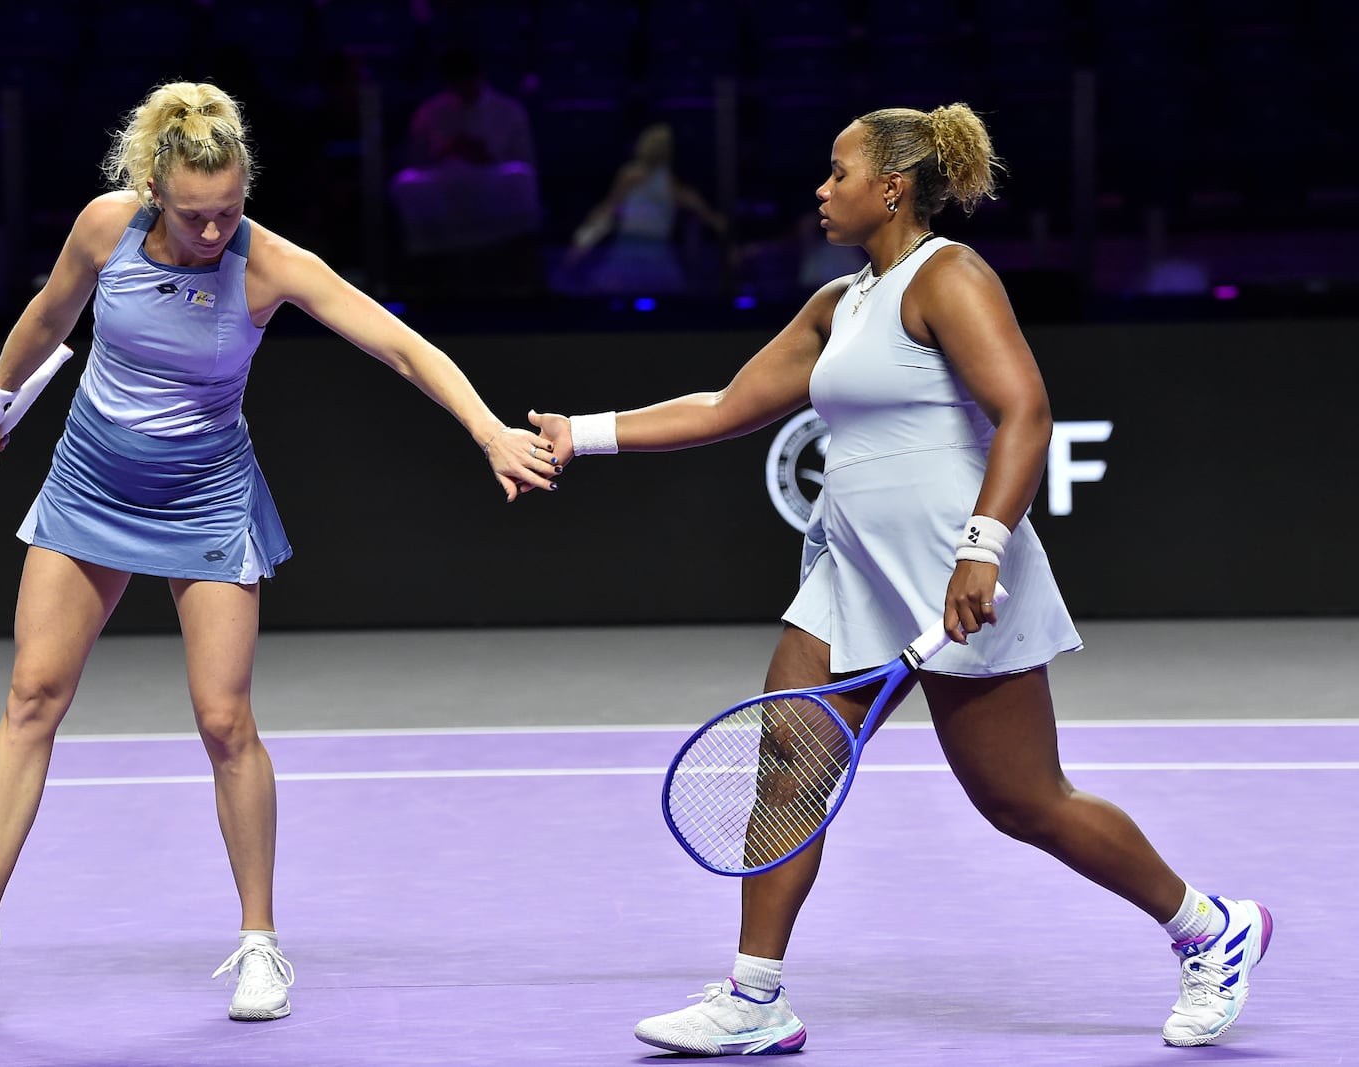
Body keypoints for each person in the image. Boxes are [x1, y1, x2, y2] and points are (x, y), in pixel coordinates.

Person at [529, 103, 1270, 1054]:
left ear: (891, 188)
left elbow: (1026, 412)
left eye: (837, 173)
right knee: (790, 764)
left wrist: (983, 546)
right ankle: (756, 997)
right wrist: (583, 433)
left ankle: (1211, 929)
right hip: (849, 575)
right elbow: (724, 406)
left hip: (961, 578)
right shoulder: (838, 305)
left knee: (1023, 801)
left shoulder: (948, 276)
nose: (820, 189)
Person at [0, 80, 562, 1023]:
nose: (214, 234)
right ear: (155, 191)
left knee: (223, 721)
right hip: (91, 482)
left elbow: (401, 347)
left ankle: (259, 944)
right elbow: (48, 318)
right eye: (196, 216)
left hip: (207, 501)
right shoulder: (104, 228)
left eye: (230, 212)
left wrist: (487, 427)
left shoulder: (271, 264)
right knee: (32, 696)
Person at [389, 45, 543, 298]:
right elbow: (414, 161)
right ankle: (425, 275)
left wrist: (485, 156)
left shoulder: (508, 111)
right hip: (443, 182)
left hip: (492, 181)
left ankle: (519, 275)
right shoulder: (430, 112)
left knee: (520, 177)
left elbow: (525, 161)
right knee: (405, 183)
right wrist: (446, 152)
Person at [563, 122, 727, 295]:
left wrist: (718, 224)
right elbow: (607, 211)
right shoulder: (632, 176)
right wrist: (582, 243)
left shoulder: (669, 183)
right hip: (629, 253)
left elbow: (697, 205)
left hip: (656, 254)